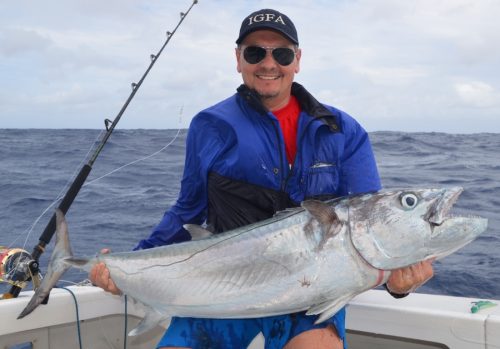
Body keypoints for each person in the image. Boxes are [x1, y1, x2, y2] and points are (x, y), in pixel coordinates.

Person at [90, 8, 434, 349]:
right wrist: (127, 265)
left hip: (310, 295)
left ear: (297, 60)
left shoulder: (343, 130)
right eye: (255, 52)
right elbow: (187, 210)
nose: (269, 64)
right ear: (238, 59)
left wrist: (396, 282)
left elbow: (370, 220)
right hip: (222, 287)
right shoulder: (209, 125)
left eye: (281, 53)